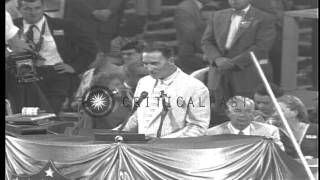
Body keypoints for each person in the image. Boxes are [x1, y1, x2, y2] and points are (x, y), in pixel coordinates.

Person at [13, 0, 97, 114]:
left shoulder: (64, 25)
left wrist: (74, 66)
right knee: (25, 116)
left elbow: (90, 48)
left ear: (43, 8)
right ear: (19, 9)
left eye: (37, 8)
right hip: (24, 76)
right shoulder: (12, 28)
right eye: (28, 9)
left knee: (50, 115)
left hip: (56, 76)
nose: (33, 13)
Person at [201, 0, 276, 125]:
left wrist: (232, 63)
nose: (234, 1)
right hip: (219, 74)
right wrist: (217, 59)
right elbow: (206, 42)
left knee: (248, 116)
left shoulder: (264, 18)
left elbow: (262, 46)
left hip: (247, 74)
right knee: (220, 116)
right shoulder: (217, 15)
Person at [119, 41, 211, 138]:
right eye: (145, 64)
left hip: (174, 150)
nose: (149, 69)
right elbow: (137, 117)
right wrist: (114, 133)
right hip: (143, 150)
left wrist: (163, 141)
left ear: (171, 61)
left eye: (154, 64)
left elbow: (198, 127)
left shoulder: (195, 87)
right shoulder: (143, 82)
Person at [207, 96, 284, 151]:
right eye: (237, 111)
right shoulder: (213, 133)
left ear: (253, 113)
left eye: (248, 111)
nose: (243, 115)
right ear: (228, 113)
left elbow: (278, 154)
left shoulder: (269, 131)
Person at [174, 0, 212, 74]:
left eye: (213, 19)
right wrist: (204, 58)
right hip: (201, 68)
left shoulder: (226, 33)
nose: (208, 22)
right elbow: (185, 56)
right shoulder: (193, 34)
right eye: (205, 19)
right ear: (200, 19)